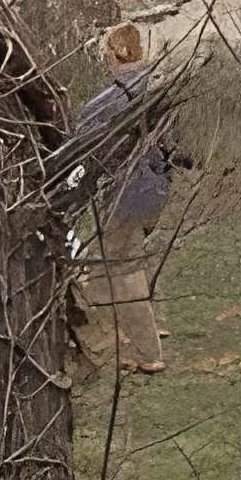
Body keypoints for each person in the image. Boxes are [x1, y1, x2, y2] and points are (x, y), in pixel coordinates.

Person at [73, 23, 180, 375]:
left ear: (116, 53)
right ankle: (151, 321)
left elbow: (82, 141)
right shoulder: (161, 89)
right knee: (128, 253)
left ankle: (149, 351)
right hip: (157, 188)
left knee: (120, 264)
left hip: (126, 191)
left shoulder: (108, 100)